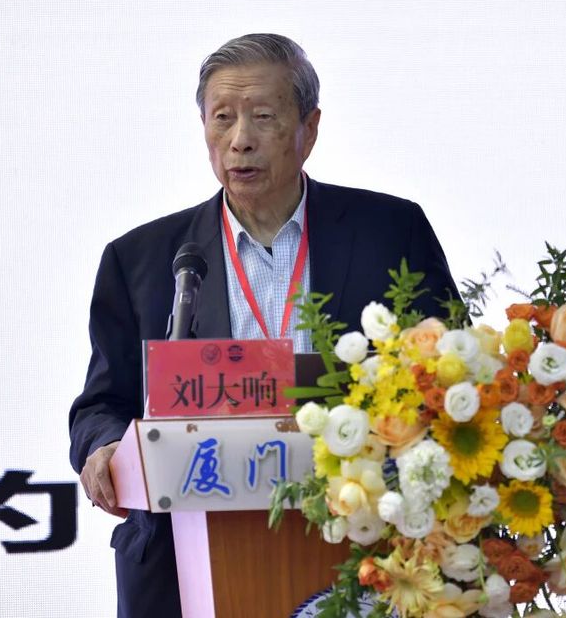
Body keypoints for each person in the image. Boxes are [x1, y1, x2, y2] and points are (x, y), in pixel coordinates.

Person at [68, 33, 459, 617]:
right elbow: (101, 405)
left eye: (264, 117)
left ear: (309, 128)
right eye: (222, 118)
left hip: (369, 547)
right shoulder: (143, 260)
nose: (240, 139)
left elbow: (449, 377)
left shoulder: (390, 232)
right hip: (185, 563)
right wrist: (104, 447)